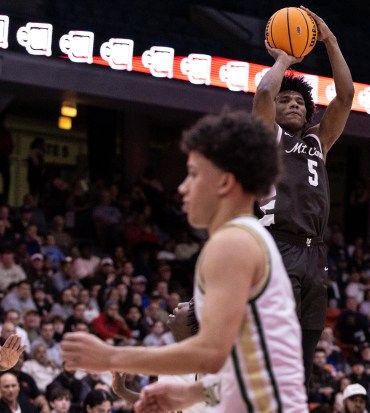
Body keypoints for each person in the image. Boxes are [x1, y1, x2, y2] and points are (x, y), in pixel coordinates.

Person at [60, 110, 307, 412]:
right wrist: (191, 395)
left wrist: (110, 356)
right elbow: (250, 368)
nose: (181, 187)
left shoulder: (233, 243)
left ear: (224, 181)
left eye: (192, 174)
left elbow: (210, 353)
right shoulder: (248, 238)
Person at [252, 5, 354, 386]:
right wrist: (282, 59)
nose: (292, 103)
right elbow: (264, 90)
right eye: (286, 101)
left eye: (299, 102)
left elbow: (344, 96)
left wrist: (330, 41)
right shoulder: (267, 136)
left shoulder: (317, 141)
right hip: (277, 244)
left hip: (315, 253)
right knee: (278, 353)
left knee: (303, 363)